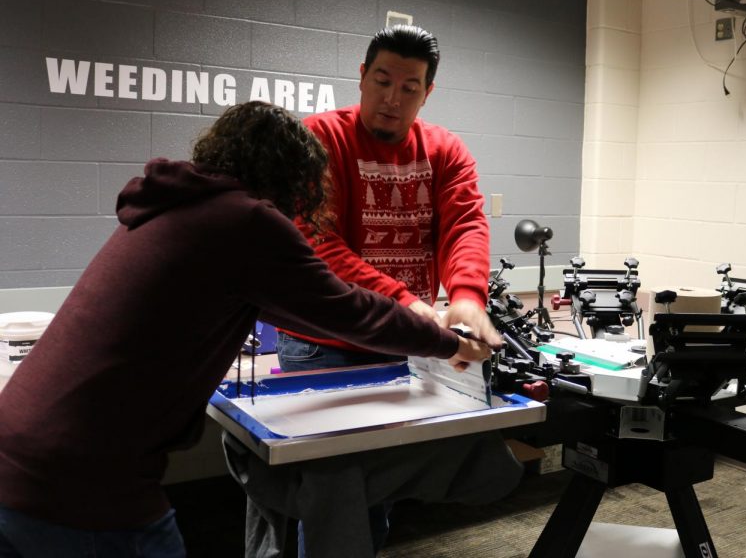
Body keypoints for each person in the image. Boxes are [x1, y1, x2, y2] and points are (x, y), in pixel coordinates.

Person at [0, 101, 492, 558]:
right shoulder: (247, 223)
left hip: (22, 448)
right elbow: (346, 310)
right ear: (292, 176)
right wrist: (448, 341)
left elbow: (299, 306)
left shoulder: (178, 206)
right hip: (80, 477)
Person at [232, 25, 522, 558]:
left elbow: (465, 224)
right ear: (362, 76)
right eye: (382, 80)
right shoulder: (321, 138)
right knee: (324, 486)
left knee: (374, 487)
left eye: (409, 86)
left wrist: (466, 295)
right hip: (321, 342)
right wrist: (408, 303)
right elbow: (318, 242)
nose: (392, 98)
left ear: (427, 91)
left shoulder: (445, 149)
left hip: (400, 344)